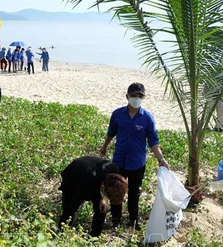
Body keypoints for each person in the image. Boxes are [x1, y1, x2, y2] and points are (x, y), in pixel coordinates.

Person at [99, 83, 169, 229]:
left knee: (134, 192)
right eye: (134, 96)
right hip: (119, 161)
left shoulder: (147, 118)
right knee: (116, 190)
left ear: (143, 98)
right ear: (127, 97)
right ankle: (116, 219)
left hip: (137, 163)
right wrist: (104, 147)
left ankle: (133, 219)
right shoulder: (117, 114)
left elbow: (153, 141)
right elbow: (111, 132)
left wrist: (161, 159)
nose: (136, 99)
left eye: (140, 96)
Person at [58, 156, 128, 237]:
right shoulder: (88, 184)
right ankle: (62, 232)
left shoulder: (114, 171)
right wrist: (101, 198)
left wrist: (103, 199)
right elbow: (86, 193)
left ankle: (95, 236)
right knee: (70, 207)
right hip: (75, 174)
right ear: (104, 188)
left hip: (92, 174)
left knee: (101, 209)